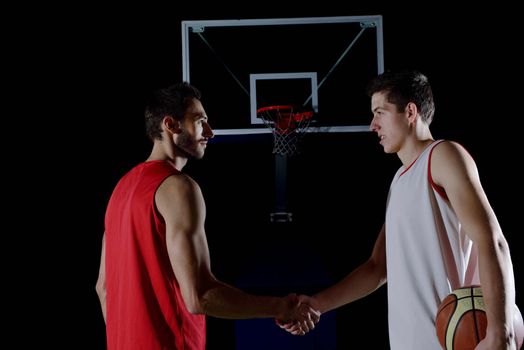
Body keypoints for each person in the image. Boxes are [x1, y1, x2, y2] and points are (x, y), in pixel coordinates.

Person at [279, 70, 522, 349]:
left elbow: (492, 240)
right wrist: (318, 304)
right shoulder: (398, 182)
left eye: (380, 112)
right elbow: (377, 267)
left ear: (410, 112)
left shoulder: (442, 156)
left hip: (452, 340)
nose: (372, 125)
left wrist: (500, 333)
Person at [95, 82, 320, 350]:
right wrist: (280, 307)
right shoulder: (178, 187)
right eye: (200, 121)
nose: (210, 133)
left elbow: (104, 289)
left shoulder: (120, 190)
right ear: (171, 125)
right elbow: (199, 296)